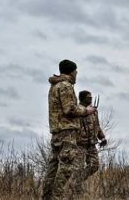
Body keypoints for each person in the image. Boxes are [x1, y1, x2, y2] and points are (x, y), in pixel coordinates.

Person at [41, 59, 96, 200]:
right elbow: (69, 109)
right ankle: (56, 198)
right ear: (71, 72)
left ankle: (46, 197)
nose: (76, 74)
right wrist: (86, 110)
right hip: (67, 132)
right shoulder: (65, 86)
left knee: (53, 168)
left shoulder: (54, 86)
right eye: (76, 71)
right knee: (65, 167)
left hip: (57, 132)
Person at [73, 90, 108, 193]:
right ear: (82, 99)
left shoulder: (94, 111)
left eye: (91, 98)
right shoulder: (77, 110)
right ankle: (75, 188)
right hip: (80, 144)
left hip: (91, 144)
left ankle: (77, 181)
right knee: (77, 167)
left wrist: (102, 137)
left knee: (94, 165)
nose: (91, 99)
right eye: (89, 98)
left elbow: (97, 126)